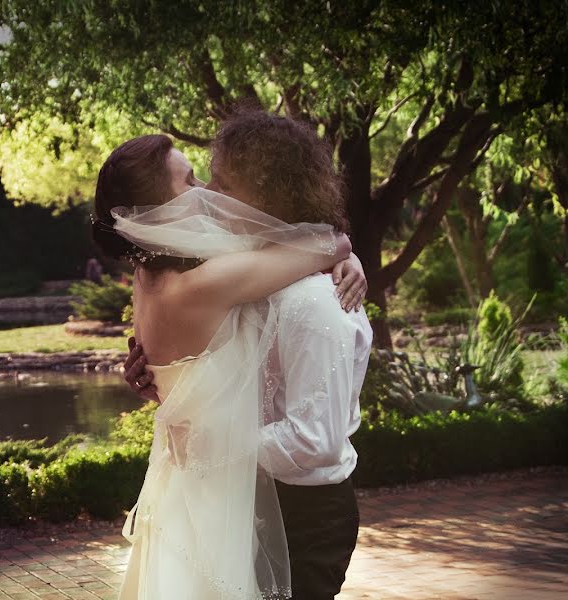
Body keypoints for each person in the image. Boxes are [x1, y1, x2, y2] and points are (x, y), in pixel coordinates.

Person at [122, 111, 373, 599]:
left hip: (304, 517)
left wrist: (210, 443)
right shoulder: (245, 272)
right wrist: (172, 379)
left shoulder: (314, 303)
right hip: (243, 502)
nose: (208, 195)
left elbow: (313, 441)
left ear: (269, 196)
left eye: (224, 183)